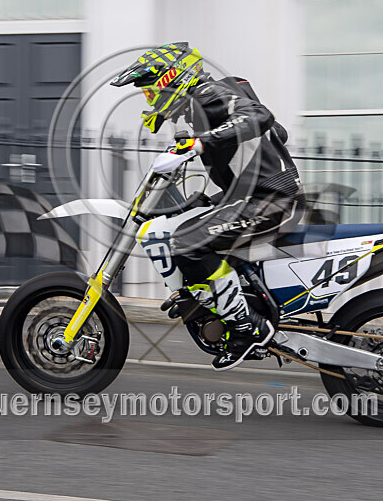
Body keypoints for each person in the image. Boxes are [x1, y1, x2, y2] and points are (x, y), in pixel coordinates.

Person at [111, 42, 305, 371]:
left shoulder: (207, 94)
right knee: (187, 215)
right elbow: (278, 133)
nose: (150, 100)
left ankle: (248, 327)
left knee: (188, 241)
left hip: (271, 202)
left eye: (150, 91)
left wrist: (201, 143)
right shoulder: (215, 97)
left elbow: (260, 117)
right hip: (259, 196)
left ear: (172, 79)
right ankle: (210, 299)